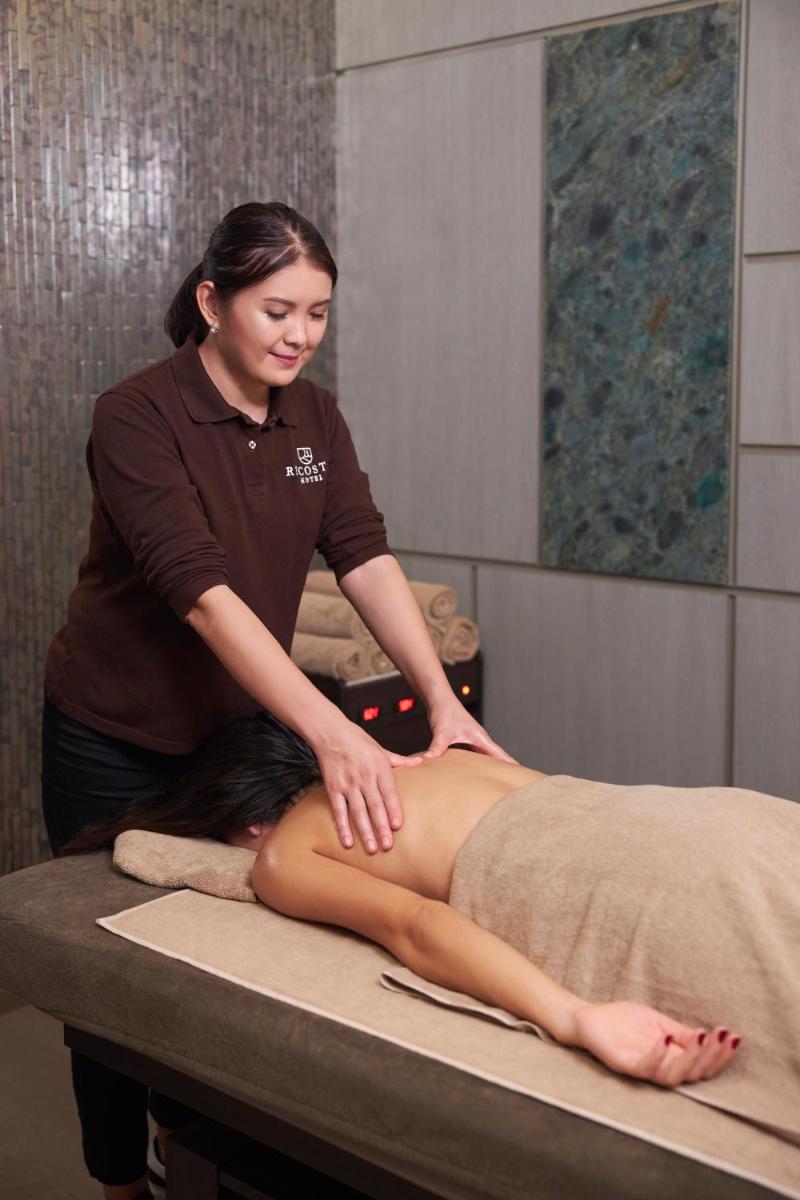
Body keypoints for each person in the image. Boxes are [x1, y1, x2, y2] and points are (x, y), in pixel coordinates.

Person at [42, 200, 515, 1200]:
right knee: (107, 962)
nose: (300, 334)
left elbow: (364, 556)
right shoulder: (136, 415)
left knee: (223, 943)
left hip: (232, 732)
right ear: (213, 302)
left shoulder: (314, 418)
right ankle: (119, 1179)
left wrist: (442, 701)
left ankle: (186, 1134)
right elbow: (202, 595)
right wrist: (332, 734)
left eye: (319, 313)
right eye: (277, 310)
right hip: (114, 734)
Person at [58, 708, 751, 1092]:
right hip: (693, 814)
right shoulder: (433, 761)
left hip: (613, 880)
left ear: (244, 820)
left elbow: (417, 925)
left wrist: (575, 1018)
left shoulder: (280, 855)